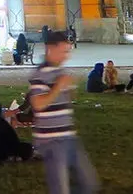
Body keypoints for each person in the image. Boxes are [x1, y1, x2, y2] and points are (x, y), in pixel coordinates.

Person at [29, 31, 98, 194]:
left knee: (90, 184)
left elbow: (60, 99)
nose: (66, 56)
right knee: (60, 189)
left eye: (68, 52)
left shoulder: (59, 72)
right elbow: (38, 104)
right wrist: (58, 87)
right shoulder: (41, 74)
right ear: (50, 49)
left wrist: (68, 90)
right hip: (52, 141)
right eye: (63, 51)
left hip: (69, 136)